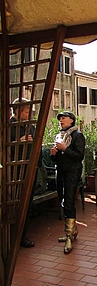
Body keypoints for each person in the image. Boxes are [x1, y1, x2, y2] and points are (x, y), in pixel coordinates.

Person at [50, 111, 85, 254]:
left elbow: (79, 156)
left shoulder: (77, 136)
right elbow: (57, 159)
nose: (61, 120)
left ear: (71, 120)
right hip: (61, 172)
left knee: (69, 201)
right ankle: (72, 230)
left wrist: (65, 149)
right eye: (60, 119)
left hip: (72, 172)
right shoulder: (59, 136)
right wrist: (54, 154)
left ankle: (69, 235)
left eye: (63, 118)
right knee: (63, 201)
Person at [10, 98, 36, 248]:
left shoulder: (30, 127)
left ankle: (22, 236)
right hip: (14, 172)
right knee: (14, 204)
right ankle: (12, 237)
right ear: (18, 111)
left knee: (27, 204)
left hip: (29, 170)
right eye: (26, 111)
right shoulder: (9, 127)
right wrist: (19, 142)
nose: (28, 113)